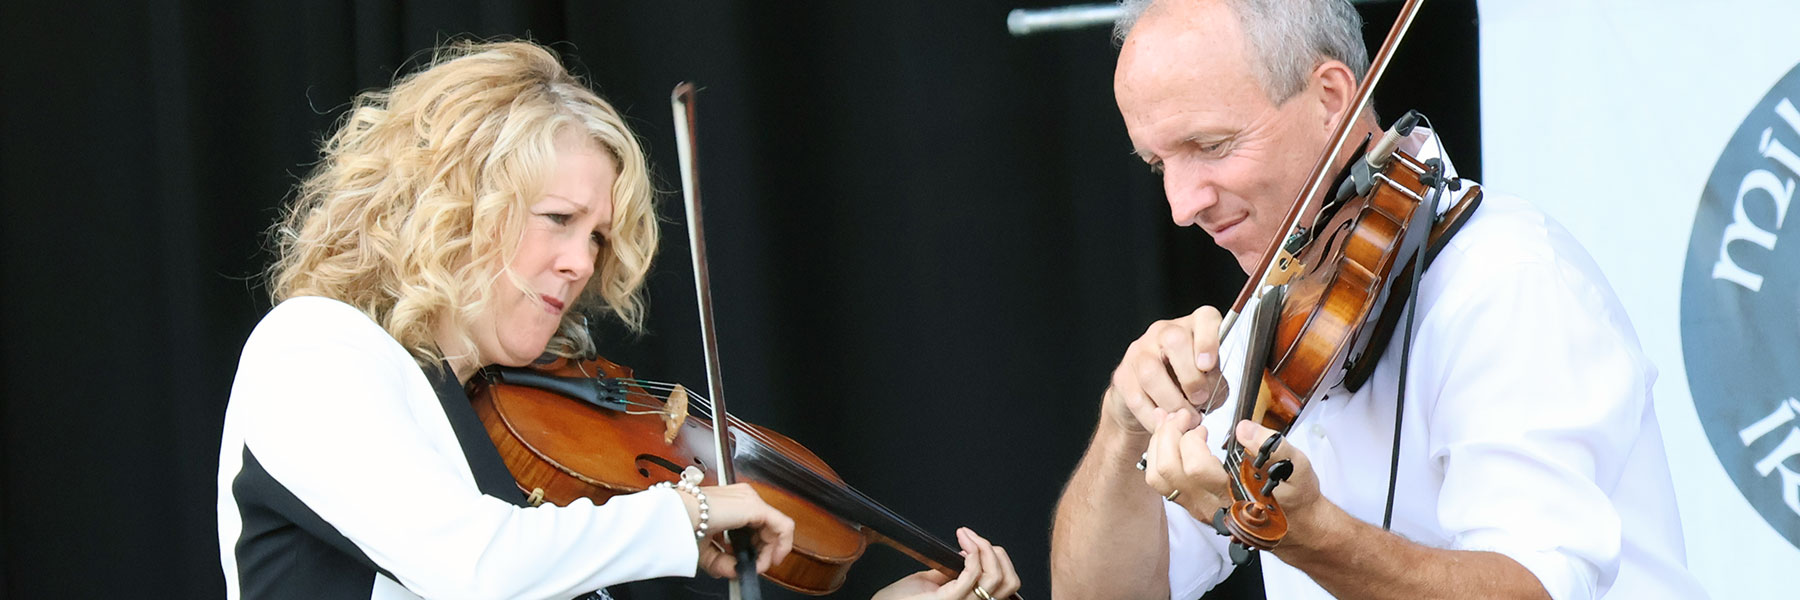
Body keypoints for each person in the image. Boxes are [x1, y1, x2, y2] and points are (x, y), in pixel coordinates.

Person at [215, 40, 1021, 600]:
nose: (582, 262)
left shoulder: (482, 424)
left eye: (596, 236)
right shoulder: (315, 350)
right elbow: (474, 567)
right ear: (451, 208)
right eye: (558, 219)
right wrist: (687, 511)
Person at [1049, 1, 1704, 599]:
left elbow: (1532, 588)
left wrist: (1314, 537)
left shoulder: (1507, 280)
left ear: (1330, 96)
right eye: (1160, 164)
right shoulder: (1277, 302)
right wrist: (1120, 428)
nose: (1182, 204)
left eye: (1212, 146)